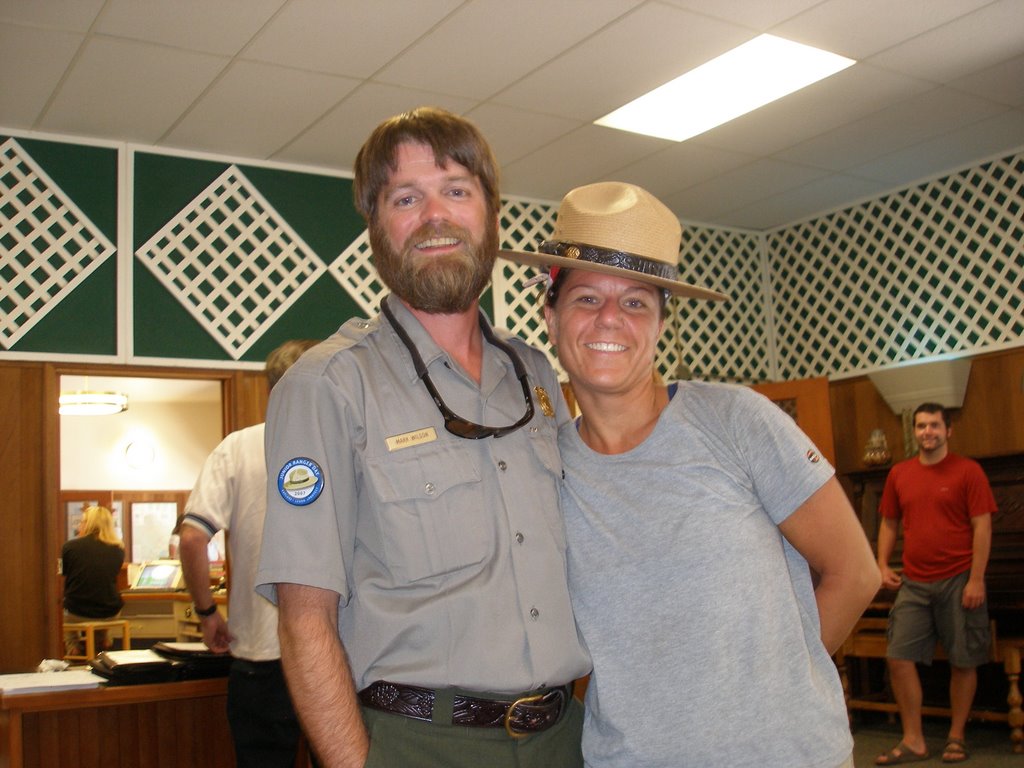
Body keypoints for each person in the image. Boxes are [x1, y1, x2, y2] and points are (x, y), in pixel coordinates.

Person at [254, 107, 589, 768]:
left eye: (456, 191)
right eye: (406, 198)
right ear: (376, 228)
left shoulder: (536, 374)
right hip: (419, 743)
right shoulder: (327, 386)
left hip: (565, 739)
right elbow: (305, 620)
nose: (435, 215)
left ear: (491, 216)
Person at [509, 181, 881, 767]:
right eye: (585, 299)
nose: (611, 319)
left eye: (636, 302)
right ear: (550, 316)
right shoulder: (543, 467)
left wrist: (772, 691)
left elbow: (855, 573)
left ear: (660, 324)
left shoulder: (737, 420)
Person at [179, 338, 320, 768]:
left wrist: (207, 614)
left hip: (261, 655)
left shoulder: (236, 448)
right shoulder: (351, 445)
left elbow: (191, 538)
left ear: (271, 389)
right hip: (336, 653)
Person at [874, 403, 997, 765]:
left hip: (960, 579)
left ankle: (956, 737)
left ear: (948, 430)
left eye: (934, 425)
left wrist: (976, 579)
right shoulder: (899, 474)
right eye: (921, 426)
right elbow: (889, 524)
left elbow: (982, 526)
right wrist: (881, 564)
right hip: (914, 581)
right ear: (914, 431)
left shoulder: (968, 471)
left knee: (963, 660)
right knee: (898, 657)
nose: (927, 431)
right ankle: (914, 740)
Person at [62, 504, 125, 655]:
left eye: (82, 522)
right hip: (110, 611)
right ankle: (102, 643)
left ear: (88, 523)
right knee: (100, 615)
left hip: (76, 611)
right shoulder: (118, 549)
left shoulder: (69, 547)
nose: (80, 525)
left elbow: (64, 576)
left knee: (64, 612)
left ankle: (74, 648)